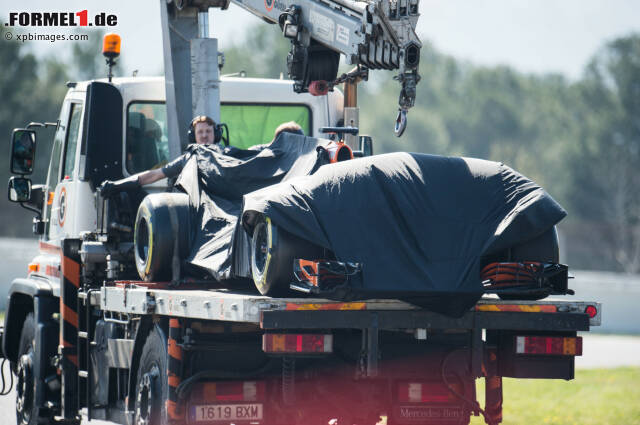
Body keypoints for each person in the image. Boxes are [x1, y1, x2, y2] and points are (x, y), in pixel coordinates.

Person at [99, 115, 218, 197]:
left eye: (208, 131)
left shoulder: (228, 155)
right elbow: (154, 175)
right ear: (193, 136)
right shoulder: (187, 159)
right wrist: (117, 185)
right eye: (200, 132)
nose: (204, 135)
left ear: (215, 134)